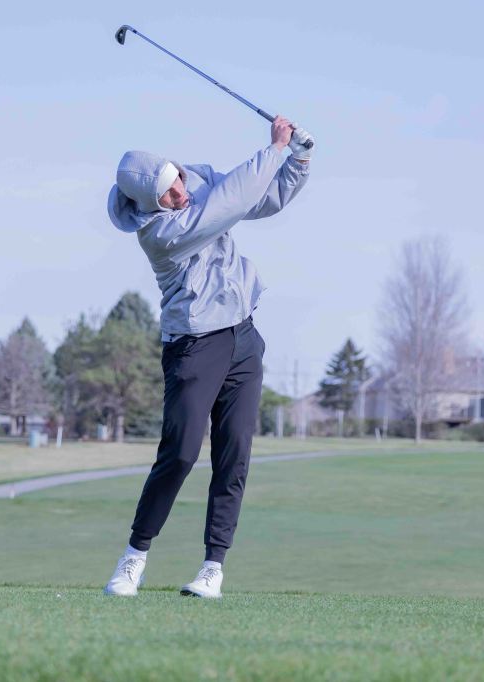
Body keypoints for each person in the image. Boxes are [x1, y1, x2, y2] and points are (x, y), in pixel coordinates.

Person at [104, 116, 313, 598]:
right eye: (167, 196)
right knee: (179, 453)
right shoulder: (160, 234)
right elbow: (230, 201)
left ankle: (212, 568)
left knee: (234, 453)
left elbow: (262, 198)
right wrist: (274, 148)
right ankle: (133, 558)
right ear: (146, 207)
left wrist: (298, 157)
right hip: (195, 344)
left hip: (243, 336)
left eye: (175, 182)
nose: (179, 194)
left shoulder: (193, 181)